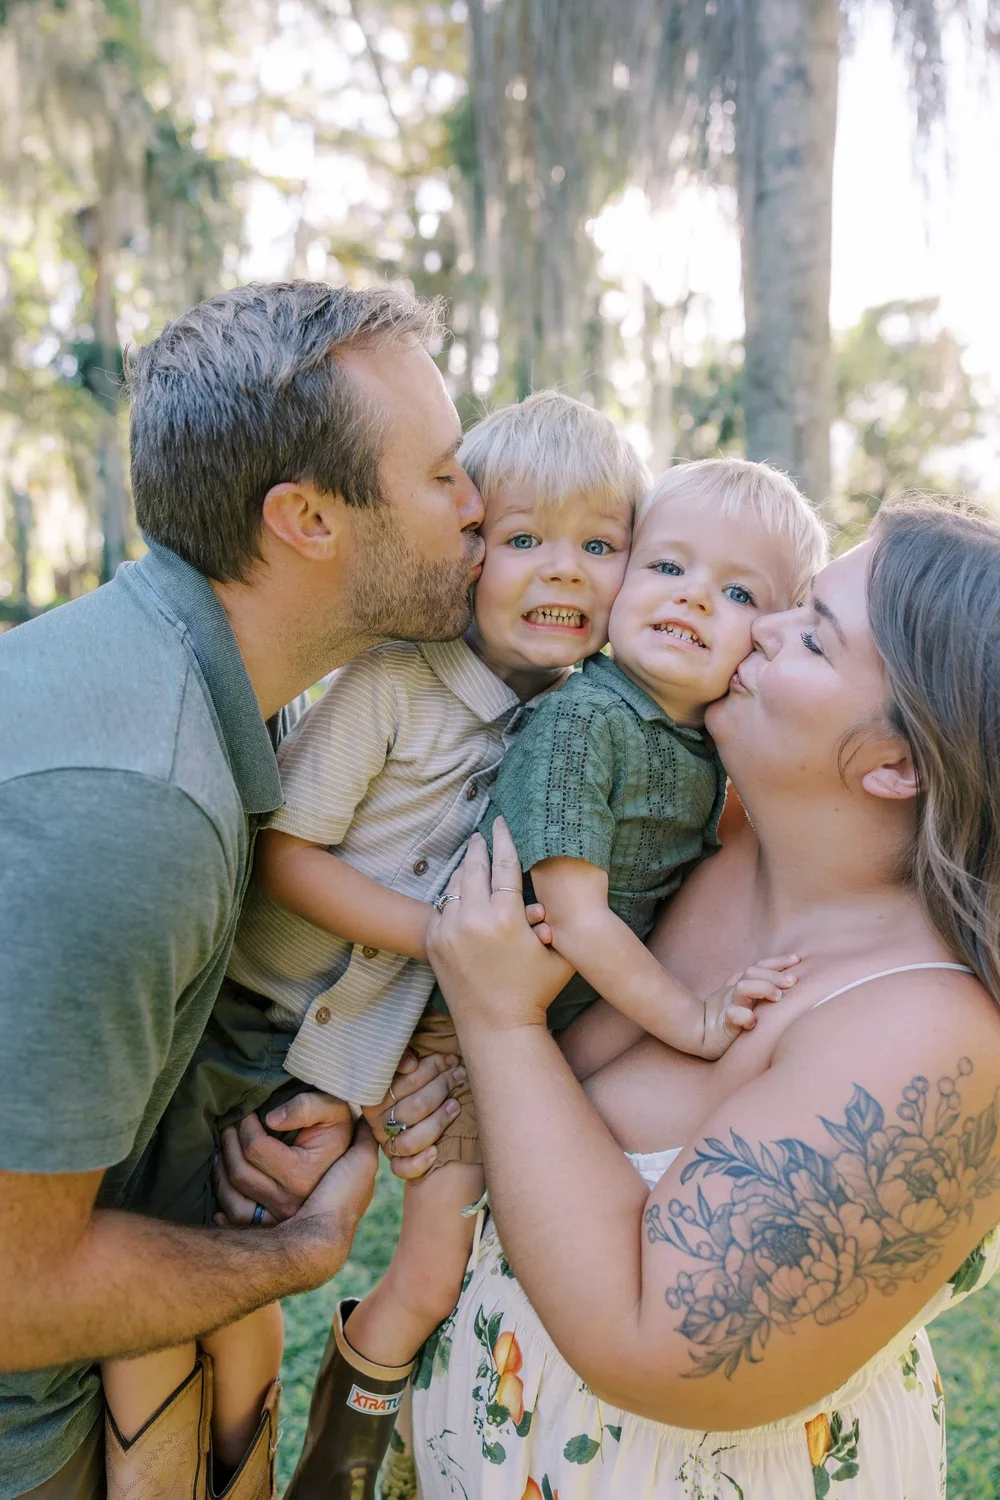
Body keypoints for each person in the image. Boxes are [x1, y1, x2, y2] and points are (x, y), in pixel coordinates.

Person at [99, 390, 648, 1499]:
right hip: (246, 1022)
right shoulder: (391, 686)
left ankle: (253, 1472)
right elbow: (289, 857)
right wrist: (444, 939)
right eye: (524, 539)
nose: (565, 572)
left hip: (356, 1050)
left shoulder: (572, 723)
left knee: (251, 1289)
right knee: (175, 1279)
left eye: (600, 545)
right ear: (466, 551)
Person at [417, 495, 1000, 1499]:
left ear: (896, 764)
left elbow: (654, 1345)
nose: (758, 626)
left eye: (810, 637)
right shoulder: (709, 835)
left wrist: (500, 1022)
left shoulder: (930, 1033)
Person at [0, 280, 474, 1500]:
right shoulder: (139, 803)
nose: (482, 510)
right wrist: (299, 1255)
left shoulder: (187, 690)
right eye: (444, 477)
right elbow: (16, 1293)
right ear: (308, 517)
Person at [483, 458, 829, 1047]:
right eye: (667, 566)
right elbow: (574, 918)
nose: (693, 595)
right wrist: (694, 1022)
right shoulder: (584, 720)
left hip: (580, 1020)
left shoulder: (714, 745)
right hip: (481, 1011)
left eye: (738, 591)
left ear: (770, 636)